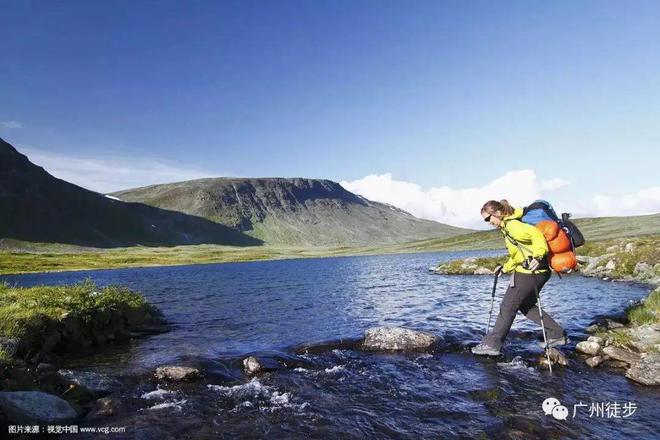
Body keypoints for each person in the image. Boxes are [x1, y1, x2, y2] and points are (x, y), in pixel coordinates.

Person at [471, 199, 568, 356]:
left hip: (529, 274)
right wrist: (505, 267)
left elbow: (536, 235)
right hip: (538, 272)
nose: (489, 223)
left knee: (507, 307)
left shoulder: (513, 225)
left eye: (488, 219)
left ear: (497, 213)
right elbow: (519, 253)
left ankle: (492, 345)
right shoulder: (509, 226)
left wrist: (537, 256)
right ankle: (556, 334)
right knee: (526, 306)